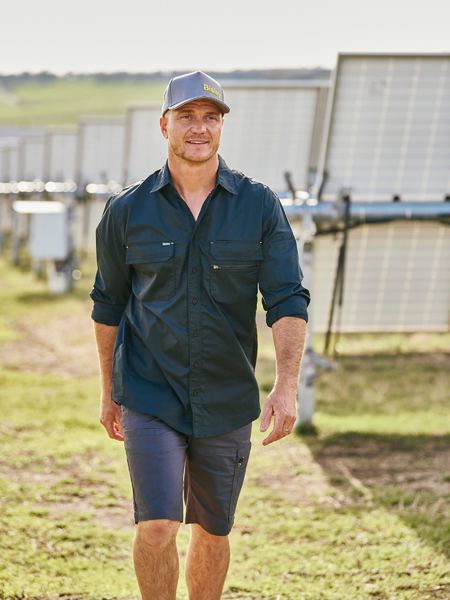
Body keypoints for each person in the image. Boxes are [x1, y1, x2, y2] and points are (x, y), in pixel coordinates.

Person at [90, 70, 310, 600]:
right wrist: (108, 390)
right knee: (158, 525)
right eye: (186, 116)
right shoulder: (127, 210)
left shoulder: (258, 205)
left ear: (221, 127)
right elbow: (108, 306)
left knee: (213, 530)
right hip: (149, 391)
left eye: (211, 117)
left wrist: (286, 385)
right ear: (164, 124)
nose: (199, 127)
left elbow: (286, 298)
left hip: (227, 395)